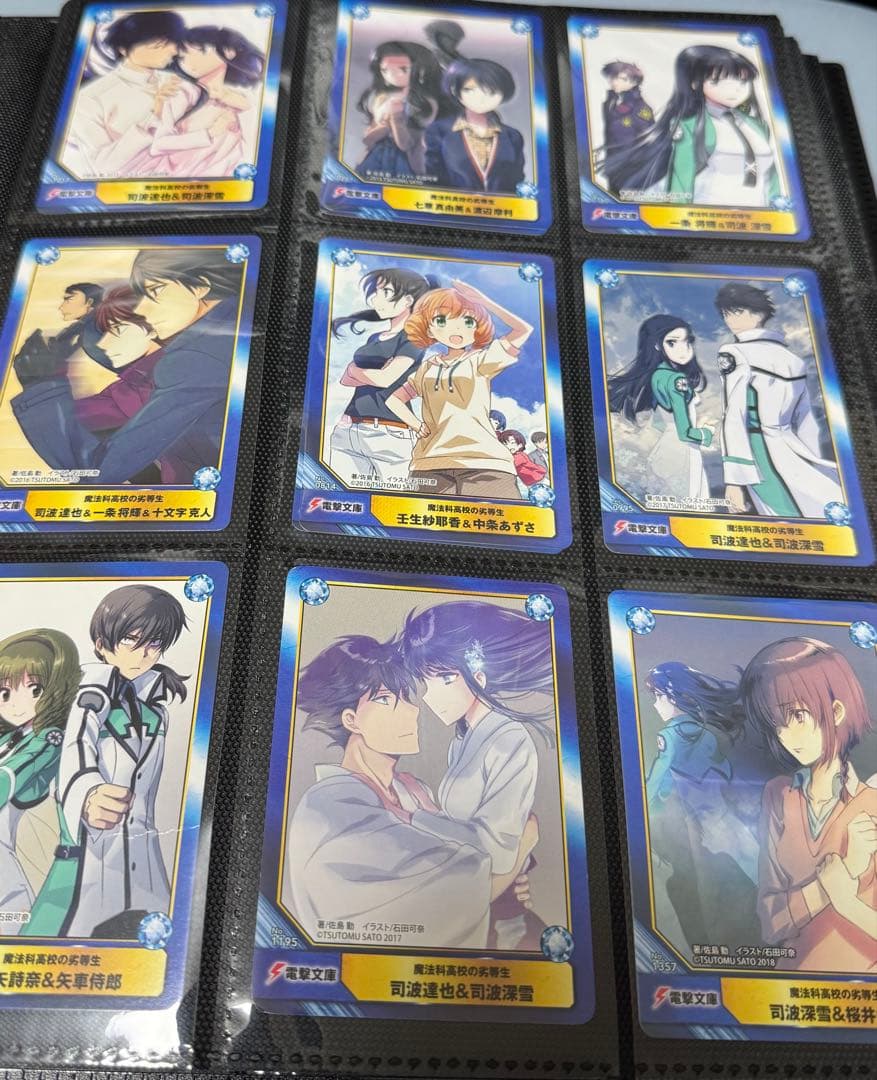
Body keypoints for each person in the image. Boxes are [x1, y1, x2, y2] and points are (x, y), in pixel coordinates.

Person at [283, 635, 537, 950]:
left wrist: (507, 882)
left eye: (406, 696)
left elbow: (471, 860)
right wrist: (521, 848)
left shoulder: (413, 792)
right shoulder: (330, 805)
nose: (411, 711)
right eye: (385, 699)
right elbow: (448, 892)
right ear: (351, 720)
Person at [24, 586, 188, 939]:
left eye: (155, 643)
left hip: (145, 863)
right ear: (102, 643)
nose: (144, 653)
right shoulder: (88, 694)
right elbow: (76, 745)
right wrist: (88, 792)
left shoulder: (156, 711)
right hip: (90, 860)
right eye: (131, 640)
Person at [11, 248, 244, 486]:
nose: (142, 311)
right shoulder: (235, 323)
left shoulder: (193, 359)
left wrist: (40, 385)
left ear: (200, 286)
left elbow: (97, 472)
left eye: (156, 291)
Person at [401, 600, 554, 950]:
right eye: (425, 682)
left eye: (445, 679)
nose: (430, 697)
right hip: (471, 904)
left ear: (479, 676)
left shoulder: (508, 738)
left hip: (503, 924)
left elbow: (494, 851)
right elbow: (465, 830)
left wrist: (415, 816)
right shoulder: (462, 739)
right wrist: (426, 810)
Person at [740, 637, 876, 972]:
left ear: (837, 711)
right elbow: (770, 922)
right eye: (776, 723)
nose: (786, 735)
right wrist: (833, 882)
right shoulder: (779, 795)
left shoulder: (872, 803)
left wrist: (845, 900)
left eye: (798, 715)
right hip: (786, 985)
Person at [644, 661, 760, 955]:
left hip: (703, 824)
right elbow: (723, 772)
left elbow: (660, 776)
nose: (656, 704)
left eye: (659, 696)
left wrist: (645, 802)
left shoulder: (669, 736)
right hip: (725, 817)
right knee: (751, 867)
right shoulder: (706, 734)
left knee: (712, 886)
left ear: (676, 696)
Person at [387, 281, 532, 500]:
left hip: (485, 464)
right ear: (428, 328)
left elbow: (523, 330)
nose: (456, 329)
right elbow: (394, 399)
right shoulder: (427, 367)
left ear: (478, 328)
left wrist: (484, 301)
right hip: (429, 463)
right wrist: (416, 424)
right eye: (441, 320)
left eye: (468, 321)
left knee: (503, 521)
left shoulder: (480, 360)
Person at [715, 283, 842, 517]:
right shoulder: (793, 360)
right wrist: (812, 460)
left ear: (759, 313)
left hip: (757, 450)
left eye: (737, 311)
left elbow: (734, 415)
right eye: (726, 313)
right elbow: (806, 421)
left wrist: (734, 481)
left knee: (782, 517)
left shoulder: (733, 352)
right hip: (791, 447)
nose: (729, 318)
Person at [601, 45, 780, 207]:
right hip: (707, 212)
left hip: (757, 213)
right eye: (718, 81)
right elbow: (681, 178)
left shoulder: (757, 126)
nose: (735, 89)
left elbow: (772, 176)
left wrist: (777, 207)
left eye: (743, 81)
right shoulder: (690, 125)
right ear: (694, 83)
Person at [0, 629, 80, 935]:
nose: (15, 704)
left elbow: (12, 776)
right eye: (5, 693)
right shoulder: (8, 738)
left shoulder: (48, 739)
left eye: (34, 689)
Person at [331, 268, 432, 486]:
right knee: (341, 496)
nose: (376, 298)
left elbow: (385, 379)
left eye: (385, 291)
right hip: (349, 427)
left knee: (391, 502)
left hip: (389, 433)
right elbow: (345, 379)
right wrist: (366, 374)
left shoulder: (413, 339)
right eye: (376, 291)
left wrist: (357, 371)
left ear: (408, 301)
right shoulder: (375, 338)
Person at [62, 11, 188, 179]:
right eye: (159, 44)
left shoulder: (178, 83)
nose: (173, 50)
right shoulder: (92, 99)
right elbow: (102, 168)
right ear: (123, 49)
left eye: (174, 42)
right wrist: (155, 115)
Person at [607, 314, 713, 504]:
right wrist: (707, 434)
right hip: (683, 452)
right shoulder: (676, 380)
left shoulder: (658, 375)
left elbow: (659, 422)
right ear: (657, 345)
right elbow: (685, 433)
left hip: (665, 449)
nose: (683, 349)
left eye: (687, 341)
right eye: (672, 342)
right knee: (692, 506)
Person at [148, 24, 266, 178]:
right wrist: (209, 133)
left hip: (227, 180)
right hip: (182, 177)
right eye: (182, 56)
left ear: (228, 51)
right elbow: (158, 145)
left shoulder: (243, 100)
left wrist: (245, 109)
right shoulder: (183, 92)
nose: (187, 62)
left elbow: (254, 154)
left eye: (198, 51)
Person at [423, 21, 525, 194]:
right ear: (439, 38)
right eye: (448, 38)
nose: (452, 43)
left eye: (455, 39)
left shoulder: (461, 61)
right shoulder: (430, 59)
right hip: (441, 110)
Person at [355, 41, 442, 181]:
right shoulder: (381, 98)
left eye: (402, 69)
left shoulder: (424, 103)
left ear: (420, 70)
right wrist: (384, 125)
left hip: (407, 161)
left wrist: (396, 118)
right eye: (385, 70)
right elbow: (368, 139)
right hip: (376, 155)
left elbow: (406, 144)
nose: (391, 75)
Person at [598, 60, 654, 175]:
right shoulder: (610, 103)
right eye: (612, 77)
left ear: (634, 82)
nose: (614, 81)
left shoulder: (642, 109)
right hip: (612, 165)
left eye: (621, 78)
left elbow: (649, 140)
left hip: (632, 168)